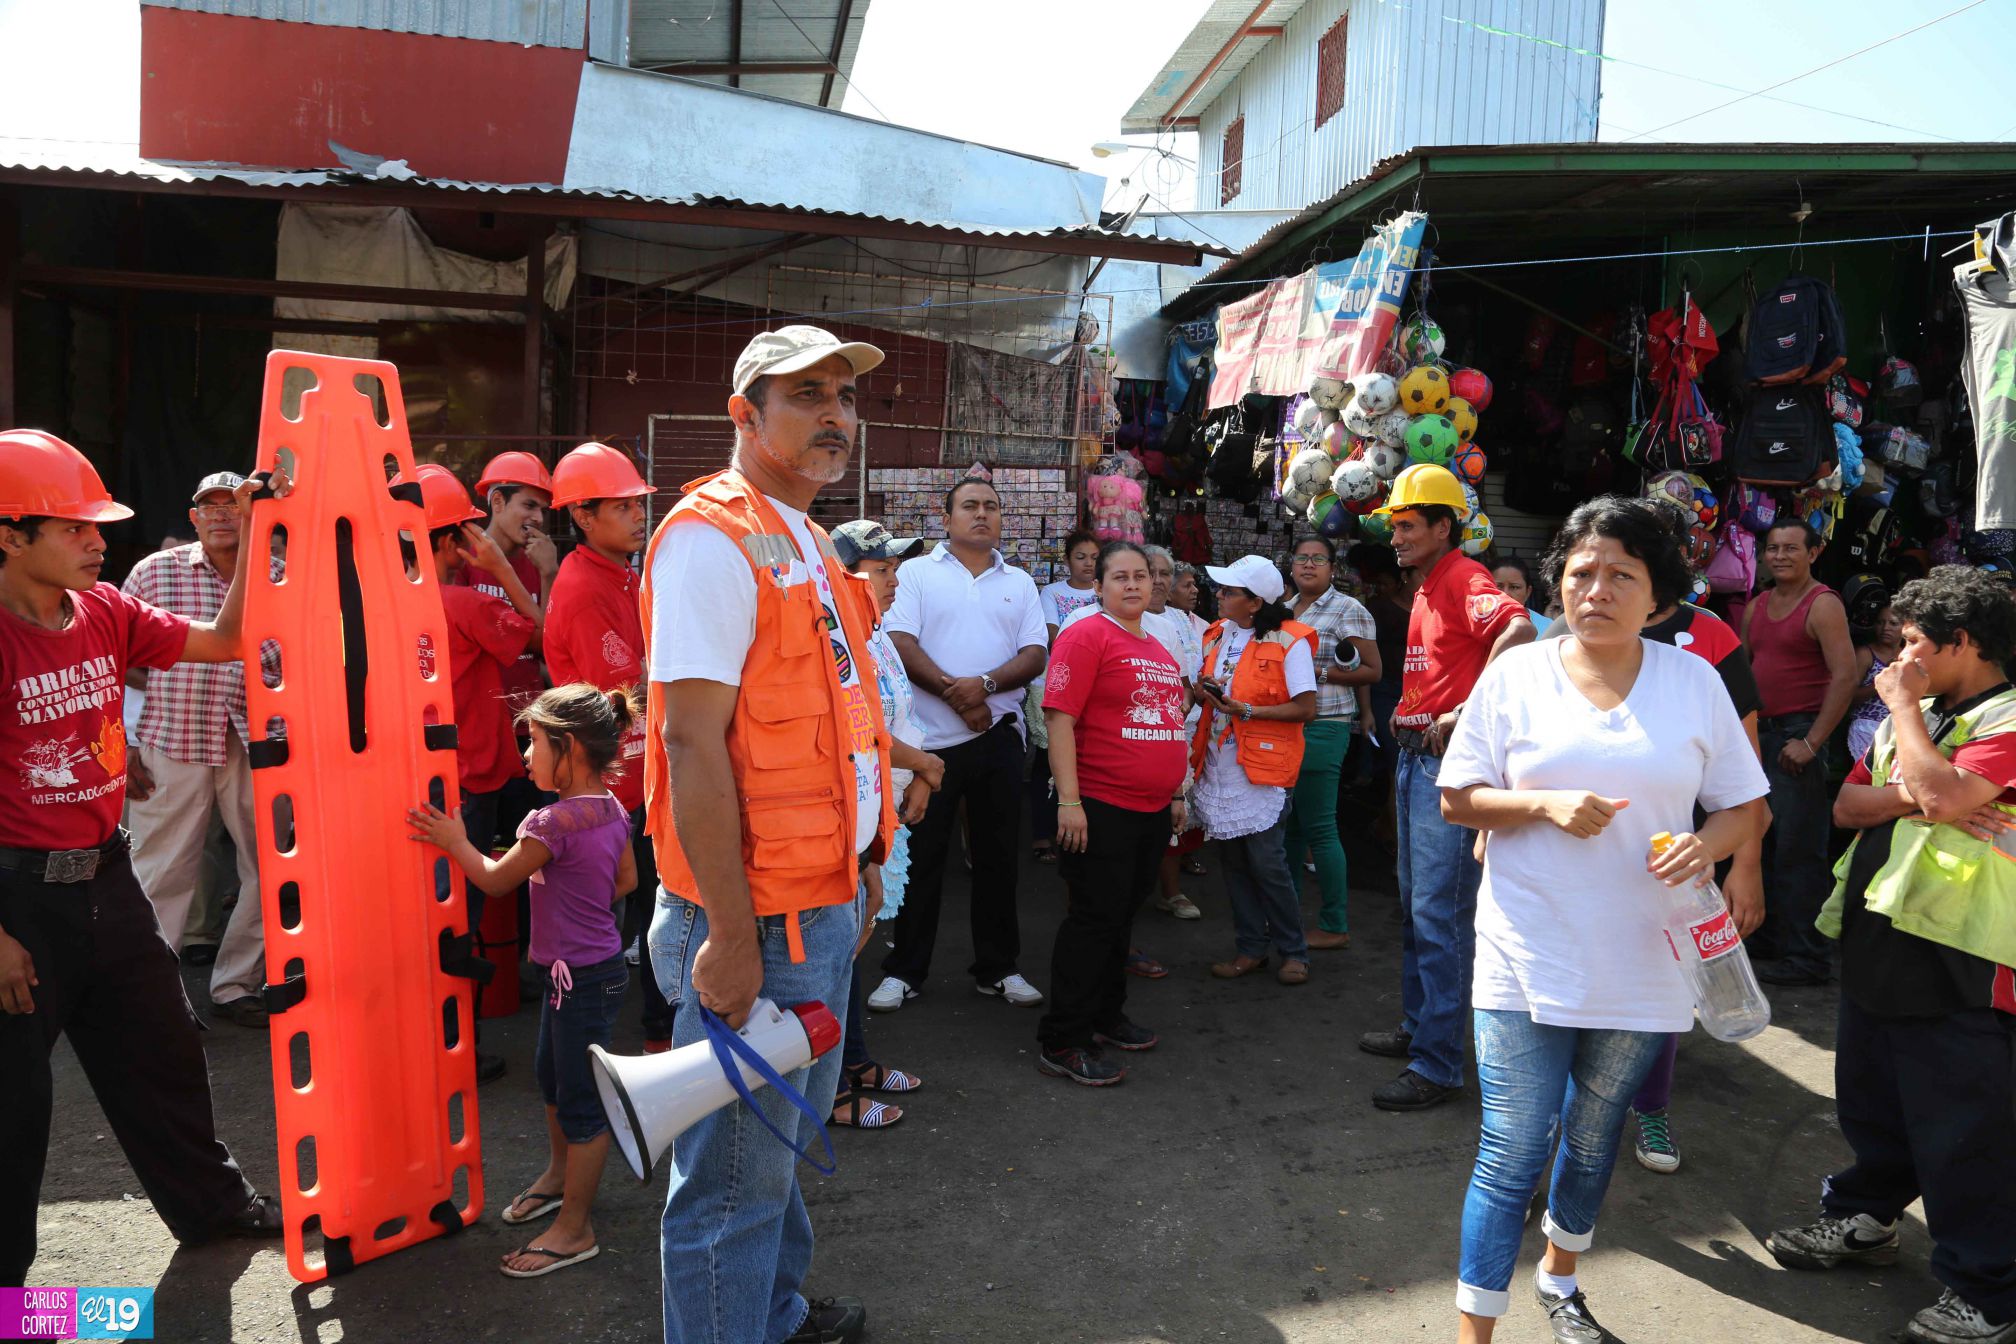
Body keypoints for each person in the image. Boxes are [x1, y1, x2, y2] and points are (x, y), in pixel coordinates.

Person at [1438, 495, 1769, 1344]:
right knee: (1512, 1146)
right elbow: (1457, 797)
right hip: (1524, 944)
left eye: (1622, 573)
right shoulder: (1516, 674)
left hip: (1644, 955)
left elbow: (1746, 807)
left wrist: (1708, 846)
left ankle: (1560, 1275)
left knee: (1590, 1139)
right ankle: (1475, 1333)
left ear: (1659, 596)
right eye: (1581, 572)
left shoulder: (1693, 681)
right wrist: (1541, 805)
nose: (1597, 588)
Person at [642, 325, 896, 1344]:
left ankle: (775, 1316)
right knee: (730, 1188)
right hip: (759, 924)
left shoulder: (804, 535)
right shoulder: (711, 536)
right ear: (745, 415)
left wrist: (866, 863)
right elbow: (691, 746)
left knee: (776, 1152)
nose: (836, 414)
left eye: (844, 395)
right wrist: (733, 934)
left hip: (818, 905)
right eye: (806, 396)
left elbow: (838, 722)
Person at [0, 432, 286, 1287]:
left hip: (106, 878)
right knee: (16, 1111)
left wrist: (263, 529)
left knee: (161, 1049)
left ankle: (212, 1208)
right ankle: (14, 1306)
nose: (99, 542)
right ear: (10, 534)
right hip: (17, 904)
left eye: (101, 526)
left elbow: (228, 640)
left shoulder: (106, 612)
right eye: (76, 528)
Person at [1768, 566, 2016, 1344]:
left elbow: (1942, 797)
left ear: (1963, 643)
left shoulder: (2004, 716)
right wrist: (1926, 786)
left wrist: (1914, 740)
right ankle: (1866, 1218)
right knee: (1873, 1099)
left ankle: (1988, 1290)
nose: (1895, 660)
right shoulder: (1923, 718)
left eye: (1911, 644)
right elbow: (1849, 805)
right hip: (1882, 934)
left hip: (1965, 956)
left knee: (1965, 1127)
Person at [1541, 503, 1770, 1176]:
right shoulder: (1561, 633)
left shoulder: (1711, 641)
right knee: (1567, 1005)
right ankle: (1547, 1143)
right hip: (1576, 862)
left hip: (1676, 861)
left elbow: (1745, 771)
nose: (1606, 583)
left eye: (1635, 559)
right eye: (1595, 564)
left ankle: (1654, 1109)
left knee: (1665, 989)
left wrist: (1743, 861)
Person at [410, 684, 639, 1279]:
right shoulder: (612, 809)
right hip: (592, 973)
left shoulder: (551, 823)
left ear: (567, 748)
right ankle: (562, 1180)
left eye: (533, 744)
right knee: (552, 1076)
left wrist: (454, 840)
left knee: (582, 1102)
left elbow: (493, 881)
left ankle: (575, 1228)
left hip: (579, 979)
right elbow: (626, 882)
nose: (525, 758)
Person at [1361, 464, 1534, 1112]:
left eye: (1408, 525)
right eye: (1394, 526)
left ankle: (1437, 1063)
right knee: (1418, 911)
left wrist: (1467, 711)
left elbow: (1519, 629)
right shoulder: (1430, 583)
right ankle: (1420, 1031)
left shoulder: (1462, 575)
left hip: (1444, 766)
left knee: (1440, 917)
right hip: (1416, 762)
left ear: (1442, 526)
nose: (1397, 536)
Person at [871, 475, 1048, 1012]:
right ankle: (904, 971)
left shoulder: (1019, 581)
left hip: (997, 740)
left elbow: (1036, 652)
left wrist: (986, 688)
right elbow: (899, 641)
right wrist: (958, 695)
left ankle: (998, 968)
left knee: (998, 860)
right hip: (929, 748)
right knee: (922, 860)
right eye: (969, 506)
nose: (981, 514)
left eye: (991, 507)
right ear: (945, 519)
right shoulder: (918, 575)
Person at [403, 463, 544, 1083]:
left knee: (428, 914)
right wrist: (503, 570)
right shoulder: (463, 601)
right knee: (461, 916)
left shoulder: (389, 604)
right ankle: (454, 1048)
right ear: (445, 541)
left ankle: (427, 1041)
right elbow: (542, 629)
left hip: (420, 778)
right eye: (463, 533)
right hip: (474, 776)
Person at [120, 470, 274, 1026]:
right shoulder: (154, 571)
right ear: (192, 518)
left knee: (272, 867)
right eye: (208, 506)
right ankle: (147, 1001)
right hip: (172, 737)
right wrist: (125, 742)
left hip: (260, 743)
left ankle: (238, 984)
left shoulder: (278, 575)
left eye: (232, 505)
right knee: (160, 871)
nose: (220, 514)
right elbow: (115, 660)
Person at [1037, 541, 1190, 1084]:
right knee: (1093, 922)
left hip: (1150, 810)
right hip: (1100, 805)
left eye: (1141, 576)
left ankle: (1105, 1016)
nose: (1132, 585)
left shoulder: (1157, 645)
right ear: (1098, 585)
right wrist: (1070, 802)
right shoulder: (1087, 634)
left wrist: (1175, 794)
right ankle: (1063, 1038)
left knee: (1121, 919)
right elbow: (1059, 720)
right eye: (1119, 576)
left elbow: (1171, 723)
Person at [542, 442, 675, 1053]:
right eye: (621, 507)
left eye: (635, 504)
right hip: (619, 783)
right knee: (643, 908)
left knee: (645, 906)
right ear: (583, 517)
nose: (636, 515)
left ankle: (647, 1029)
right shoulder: (584, 587)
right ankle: (653, 1036)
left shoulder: (617, 570)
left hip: (633, 775)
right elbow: (616, 698)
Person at [830, 519, 942, 1129]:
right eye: (882, 569)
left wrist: (921, 773)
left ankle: (854, 1060)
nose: (894, 580)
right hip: (849, 815)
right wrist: (925, 764)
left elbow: (899, 717)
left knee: (851, 943)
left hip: (880, 810)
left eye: (894, 568)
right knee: (836, 949)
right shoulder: (838, 639)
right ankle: (834, 1085)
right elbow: (858, 733)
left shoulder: (874, 633)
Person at [1742, 519, 1859, 986]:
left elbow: (1846, 676)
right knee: (1761, 841)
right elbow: (1746, 671)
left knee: (1798, 850)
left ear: (1814, 553)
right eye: (1772, 549)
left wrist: (1812, 743)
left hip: (1798, 735)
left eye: (1791, 548)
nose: (1780, 556)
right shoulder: (1757, 605)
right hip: (1761, 734)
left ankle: (1807, 957)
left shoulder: (1823, 603)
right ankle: (1768, 939)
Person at [1192, 554, 1318, 986]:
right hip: (1219, 762)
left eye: (1229, 591)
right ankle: (1250, 949)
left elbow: (1306, 708)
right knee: (1234, 862)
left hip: (1262, 767)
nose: (1219, 595)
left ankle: (1293, 950)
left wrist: (1245, 709)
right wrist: (1200, 692)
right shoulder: (1215, 634)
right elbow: (1206, 689)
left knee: (1267, 863)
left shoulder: (1290, 640)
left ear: (1254, 603)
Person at [1285, 536, 1381, 951]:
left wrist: (1320, 676)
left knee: (1320, 827)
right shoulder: (1283, 612)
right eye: (1302, 559)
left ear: (1331, 568)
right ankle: (1284, 917)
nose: (1309, 565)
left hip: (1325, 724)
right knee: (1287, 829)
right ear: (1291, 567)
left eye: (1318, 559)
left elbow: (1373, 671)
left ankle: (1334, 923)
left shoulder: (1349, 610)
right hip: (1285, 726)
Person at [461, 451, 558, 722]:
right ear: (498, 501)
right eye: (529, 505)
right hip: (477, 718)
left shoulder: (542, 562)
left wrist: (549, 574)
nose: (538, 518)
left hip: (528, 722)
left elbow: (549, 647)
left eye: (542, 510)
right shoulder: (464, 558)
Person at [1031, 530, 1103, 864]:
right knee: (1049, 758)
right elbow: (1053, 636)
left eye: (1094, 557)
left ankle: (1083, 830)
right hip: (1057, 682)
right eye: (1081, 557)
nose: (1089, 564)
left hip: (1098, 686)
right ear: (1067, 560)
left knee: (1087, 755)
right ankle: (1043, 832)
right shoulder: (1052, 592)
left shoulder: (1107, 590)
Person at [1152, 551, 1207, 919]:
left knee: (1177, 810)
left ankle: (1171, 892)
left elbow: (1188, 681)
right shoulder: (1103, 616)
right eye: (1149, 572)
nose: (1157, 580)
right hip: (1129, 736)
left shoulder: (1179, 621)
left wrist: (1186, 703)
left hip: (1178, 732)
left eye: (1164, 574)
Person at [1847, 593, 1905, 766]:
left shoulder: (1908, 654)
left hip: (1899, 728)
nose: (1885, 628)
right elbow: (1848, 697)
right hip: (1865, 727)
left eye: (1893, 623)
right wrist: (1881, 681)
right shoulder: (1865, 654)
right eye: (1880, 622)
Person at [1490, 555, 1547, 624]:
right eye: (1499, 586)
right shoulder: (1475, 626)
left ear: (1528, 592)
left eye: (1514, 587)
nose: (1505, 593)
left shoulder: (1547, 627)